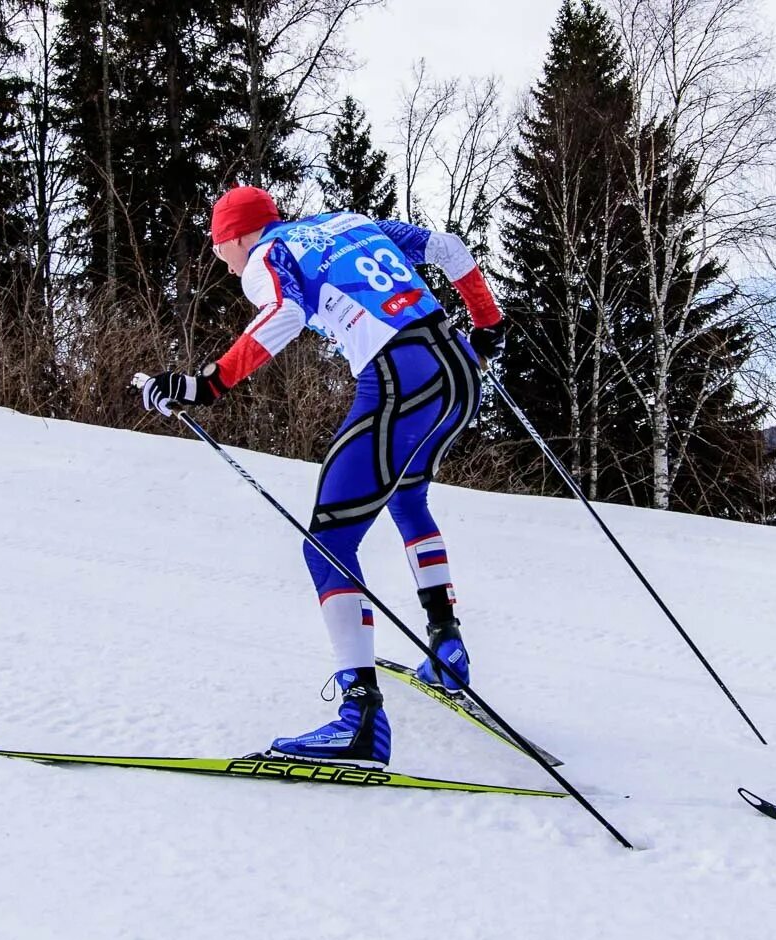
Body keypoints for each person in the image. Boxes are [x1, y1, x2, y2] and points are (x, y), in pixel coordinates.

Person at [136, 186, 506, 766]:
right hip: (459, 369)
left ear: (234, 235)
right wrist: (486, 324)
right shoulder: (348, 221)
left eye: (218, 248)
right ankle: (446, 645)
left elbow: (282, 313)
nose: (223, 260)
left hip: (401, 380)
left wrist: (205, 383)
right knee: (408, 499)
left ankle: (359, 719)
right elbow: (447, 247)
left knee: (327, 546)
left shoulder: (267, 256)